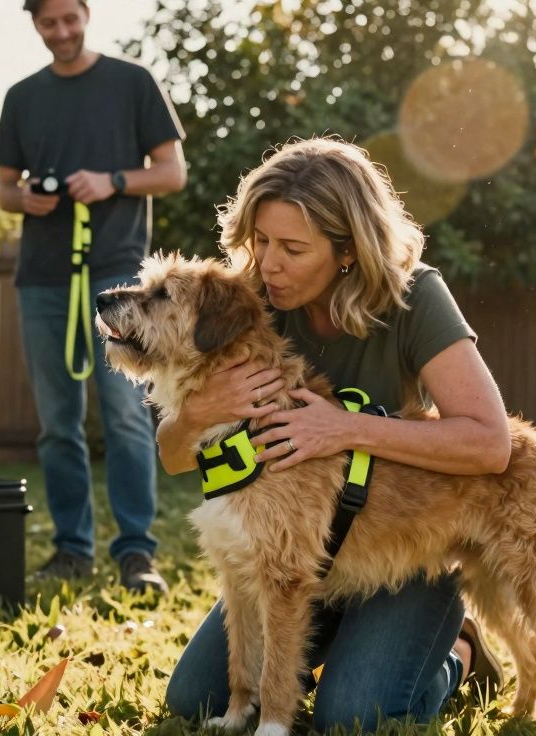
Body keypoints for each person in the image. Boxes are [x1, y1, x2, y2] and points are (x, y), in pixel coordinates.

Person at [158, 138, 511, 730]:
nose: (268, 264)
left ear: (347, 250)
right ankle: (339, 649)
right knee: (195, 700)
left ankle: (456, 653)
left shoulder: (414, 297)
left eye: (293, 248)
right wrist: (193, 417)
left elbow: (488, 442)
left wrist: (344, 428)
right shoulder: (250, 301)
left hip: (400, 545)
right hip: (294, 552)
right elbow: (173, 461)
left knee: (352, 717)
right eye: (260, 240)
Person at [0, 0, 186, 593]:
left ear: (86, 13)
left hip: (120, 280)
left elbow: (173, 172)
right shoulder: (22, 96)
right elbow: (2, 190)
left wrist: (113, 181)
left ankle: (136, 553)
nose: (62, 32)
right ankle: (72, 549)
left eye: (69, 18)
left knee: (127, 418)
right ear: (35, 25)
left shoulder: (132, 83)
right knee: (57, 424)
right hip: (45, 279)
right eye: (48, 23)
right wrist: (28, 199)